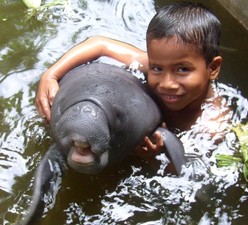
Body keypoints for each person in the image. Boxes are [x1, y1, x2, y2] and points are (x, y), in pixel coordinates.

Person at [35, 2, 223, 157]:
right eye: (157, 68)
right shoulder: (152, 63)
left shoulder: (212, 123)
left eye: (182, 69)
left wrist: (156, 158)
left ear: (213, 68)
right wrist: (51, 75)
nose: (166, 83)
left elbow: (186, 171)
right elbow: (100, 45)